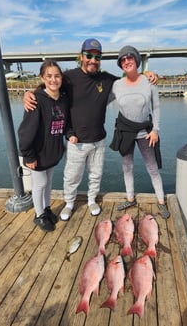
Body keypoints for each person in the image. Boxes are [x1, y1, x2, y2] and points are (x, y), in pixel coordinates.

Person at [23, 38, 157, 220]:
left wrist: (146, 73)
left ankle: (92, 199)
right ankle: (69, 203)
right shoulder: (69, 78)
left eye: (97, 57)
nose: (92, 60)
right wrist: (29, 93)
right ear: (81, 56)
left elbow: (130, 79)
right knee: (71, 177)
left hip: (98, 140)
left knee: (96, 175)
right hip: (76, 141)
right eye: (89, 56)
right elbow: (50, 85)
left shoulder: (107, 79)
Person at [109, 45, 170, 219]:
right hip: (124, 132)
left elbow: (156, 107)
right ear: (120, 64)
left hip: (145, 132)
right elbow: (100, 102)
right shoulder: (117, 85)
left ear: (136, 60)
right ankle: (130, 198)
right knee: (127, 167)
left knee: (152, 168)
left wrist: (156, 130)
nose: (127, 61)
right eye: (123, 59)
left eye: (130, 58)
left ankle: (161, 202)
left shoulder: (149, 81)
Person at [18, 60, 72, 231]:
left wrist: (70, 135)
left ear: (61, 78)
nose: (53, 80)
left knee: (48, 182)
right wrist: (29, 155)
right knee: (39, 184)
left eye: (57, 76)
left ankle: (47, 208)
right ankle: (39, 214)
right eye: (49, 76)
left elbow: (66, 123)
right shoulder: (37, 100)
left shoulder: (63, 99)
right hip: (38, 154)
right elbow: (25, 132)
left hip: (53, 152)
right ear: (42, 78)